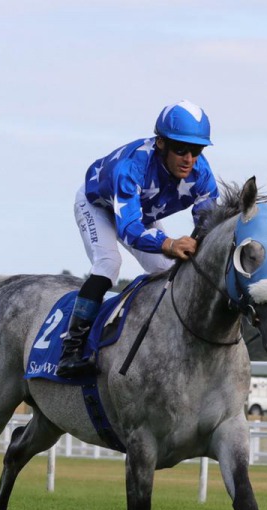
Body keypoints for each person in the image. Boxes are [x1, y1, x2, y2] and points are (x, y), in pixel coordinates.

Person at [55, 100, 219, 378]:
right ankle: (70, 350)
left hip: (141, 208)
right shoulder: (132, 167)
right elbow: (130, 228)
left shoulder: (201, 173)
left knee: (168, 271)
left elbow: (207, 220)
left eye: (197, 150)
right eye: (181, 149)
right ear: (161, 144)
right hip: (99, 204)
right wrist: (169, 244)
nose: (189, 159)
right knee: (109, 263)